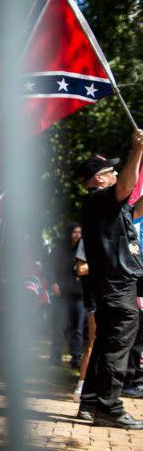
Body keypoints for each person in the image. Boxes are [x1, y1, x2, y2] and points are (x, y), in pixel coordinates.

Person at [78, 139, 143, 430]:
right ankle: (110, 408)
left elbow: (135, 210)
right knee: (116, 348)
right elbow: (125, 189)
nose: (117, 174)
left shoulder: (108, 208)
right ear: (98, 178)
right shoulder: (98, 199)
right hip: (116, 287)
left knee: (106, 345)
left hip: (116, 286)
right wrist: (137, 151)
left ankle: (91, 402)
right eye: (111, 171)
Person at [49, 223, 86, 368]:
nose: (78, 235)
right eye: (75, 232)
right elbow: (48, 268)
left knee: (78, 329)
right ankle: (55, 358)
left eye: (80, 232)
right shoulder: (58, 250)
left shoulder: (83, 251)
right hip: (62, 296)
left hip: (79, 295)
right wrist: (53, 282)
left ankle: (76, 359)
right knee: (59, 327)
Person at [72, 238, 96, 406]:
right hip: (95, 299)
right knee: (93, 342)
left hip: (114, 297)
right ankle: (80, 388)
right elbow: (81, 269)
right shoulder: (87, 239)